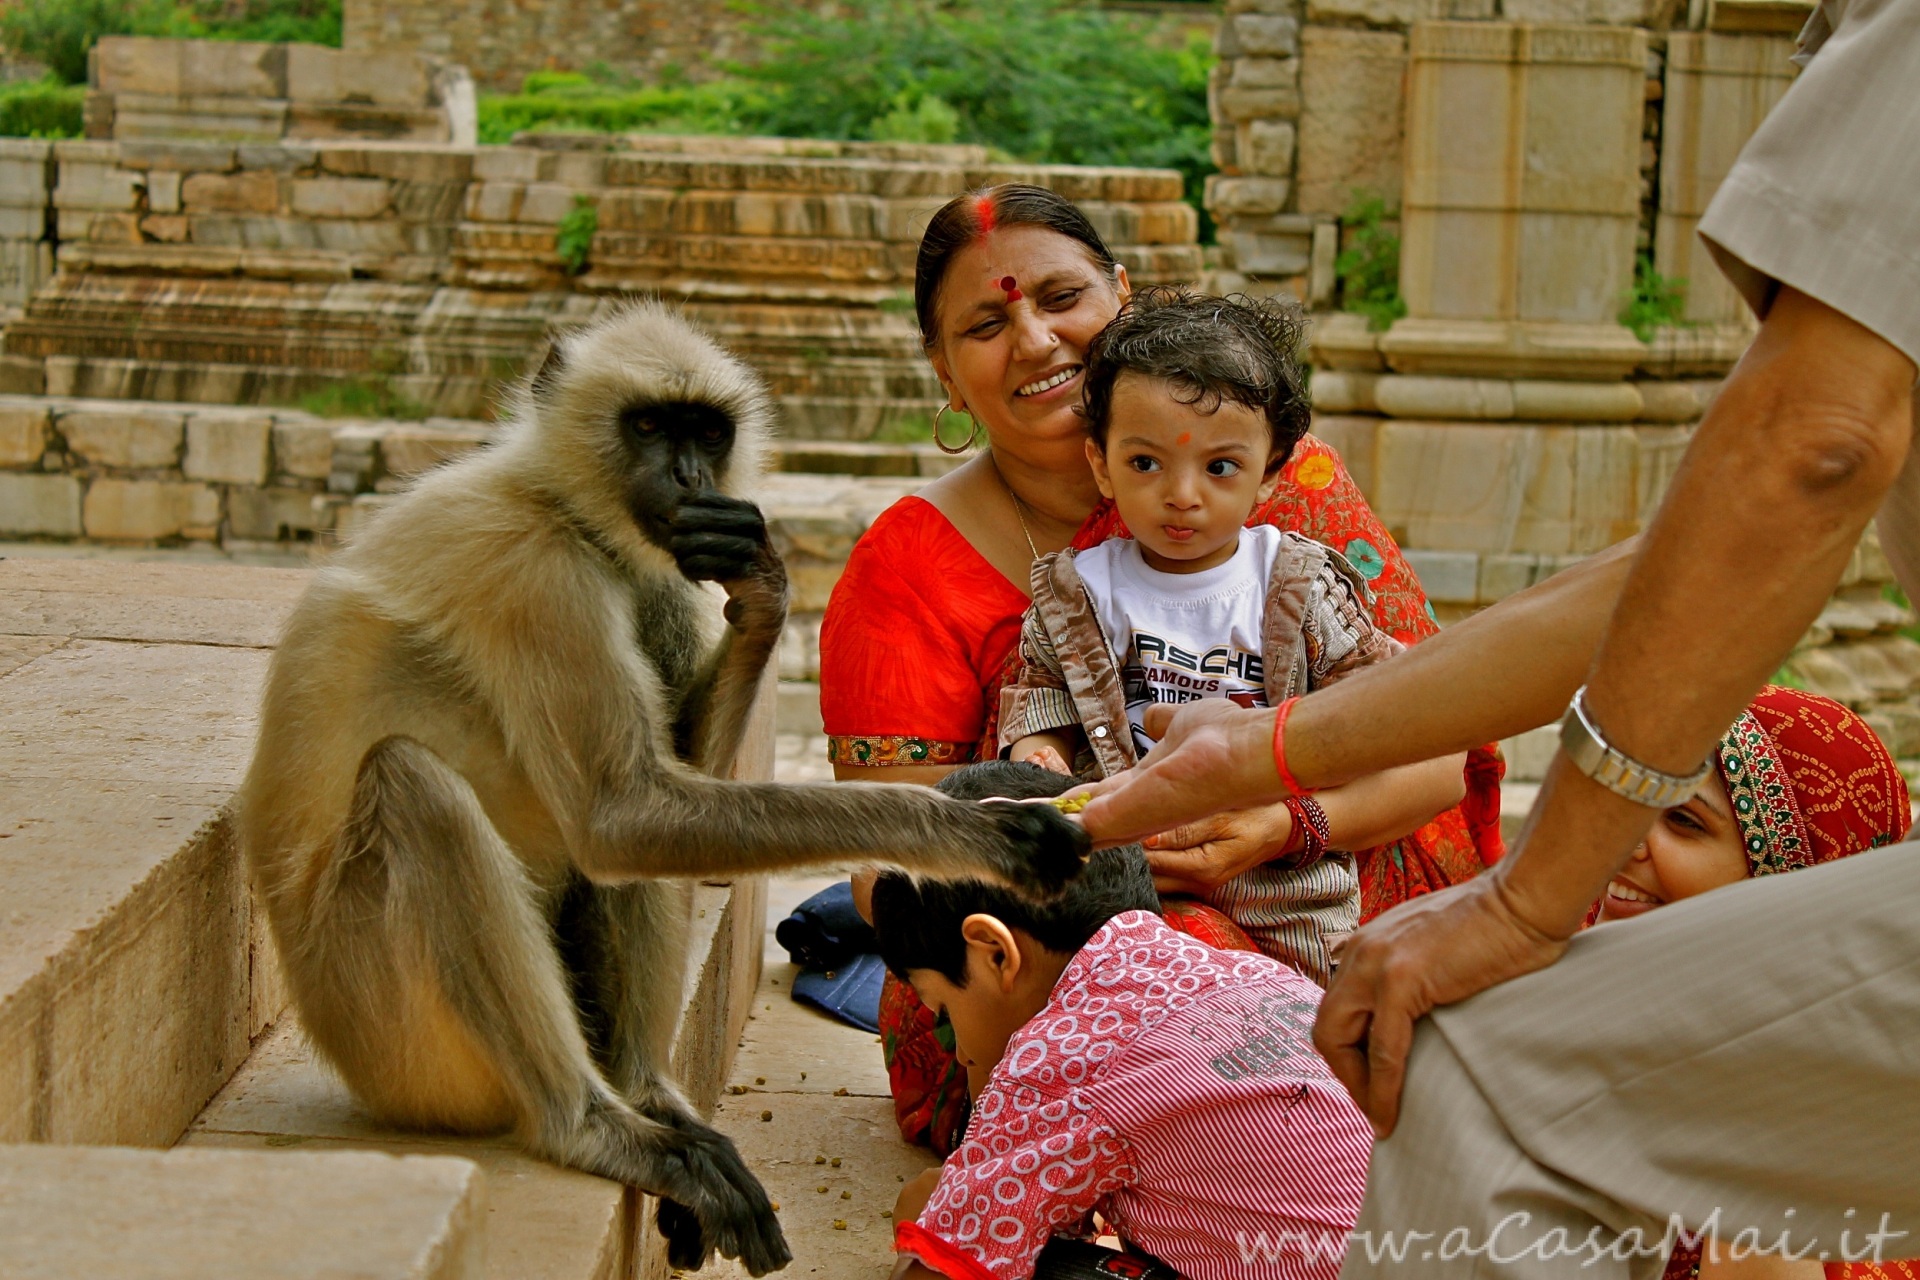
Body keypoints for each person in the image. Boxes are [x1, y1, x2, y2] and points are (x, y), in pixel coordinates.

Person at [1070, 0, 1920, 1273]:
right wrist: (1260, 750)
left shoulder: (1301, 557)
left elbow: (1809, 457)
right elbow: (1675, 568)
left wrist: (1531, 897)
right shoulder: (1061, 578)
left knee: (1476, 1062)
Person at [821, 183, 1501, 1154]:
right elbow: (884, 865)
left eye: (1061, 297)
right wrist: (1061, 812)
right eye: (985, 321)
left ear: (1123, 297)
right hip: (1056, 933)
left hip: (1318, 877)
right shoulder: (907, 566)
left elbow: (1436, 745)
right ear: (942, 367)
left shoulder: (1294, 503)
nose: (1035, 339)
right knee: (1189, 985)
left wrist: (1280, 822)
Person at [1000, 286, 1467, 982]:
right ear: (1101, 463)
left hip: (1286, 895)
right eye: (1145, 463)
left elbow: (1386, 719)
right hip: (1122, 881)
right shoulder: (1077, 594)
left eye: (1219, 468)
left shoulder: (1299, 589)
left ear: (1270, 475)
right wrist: (1040, 758)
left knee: (1300, 1034)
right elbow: (1043, 702)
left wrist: (1294, 820)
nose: (1182, 494)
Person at [875, 762, 1373, 1280]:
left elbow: (945, 1269)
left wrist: (928, 1225)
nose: (958, 1052)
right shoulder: (1256, 975)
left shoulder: (1056, 1059)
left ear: (996, 954)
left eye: (945, 1011)